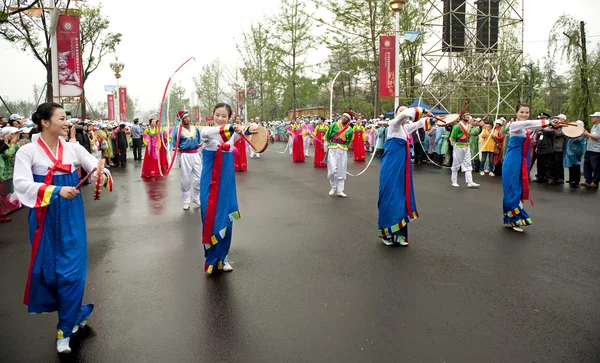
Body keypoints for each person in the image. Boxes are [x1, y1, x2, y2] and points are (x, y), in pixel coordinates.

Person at [12, 102, 112, 354]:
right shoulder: (27, 152)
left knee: (72, 273)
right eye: (60, 118)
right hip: (44, 218)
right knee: (51, 274)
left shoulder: (74, 148)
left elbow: (95, 166)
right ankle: (76, 312)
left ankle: (63, 330)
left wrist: (102, 174)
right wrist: (56, 190)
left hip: (71, 216)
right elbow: (21, 185)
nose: (66, 122)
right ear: (45, 122)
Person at [199, 103, 257, 274]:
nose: (220, 118)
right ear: (212, 115)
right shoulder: (206, 132)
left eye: (224, 116)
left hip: (226, 184)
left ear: (229, 117)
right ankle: (211, 259)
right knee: (209, 217)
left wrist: (249, 128)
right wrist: (232, 127)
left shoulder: (232, 135)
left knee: (226, 219)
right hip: (209, 183)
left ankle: (223, 258)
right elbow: (212, 132)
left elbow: (251, 130)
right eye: (217, 115)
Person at [502, 103, 564, 232]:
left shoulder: (527, 129)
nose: (524, 115)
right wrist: (549, 121)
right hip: (513, 159)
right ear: (516, 113)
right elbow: (529, 123)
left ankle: (512, 219)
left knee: (519, 187)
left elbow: (536, 126)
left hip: (523, 159)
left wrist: (553, 124)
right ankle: (514, 219)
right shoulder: (514, 125)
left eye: (527, 112)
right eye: (522, 112)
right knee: (512, 188)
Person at [378, 106, 436, 246]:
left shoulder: (405, 129)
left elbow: (420, 123)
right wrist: (421, 110)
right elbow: (403, 115)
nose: (403, 112)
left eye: (405, 109)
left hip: (402, 166)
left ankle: (399, 236)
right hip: (391, 165)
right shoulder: (394, 125)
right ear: (396, 114)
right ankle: (386, 233)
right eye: (400, 110)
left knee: (401, 195)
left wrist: (432, 118)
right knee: (389, 195)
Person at [172, 110, 202, 210]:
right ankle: (186, 201)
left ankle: (196, 198)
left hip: (195, 154)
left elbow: (199, 142)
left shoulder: (195, 128)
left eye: (188, 117)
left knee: (198, 178)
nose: (187, 119)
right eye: (185, 118)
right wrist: (179, 158)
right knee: (185, 178)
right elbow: (174, 144)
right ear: (181, 120)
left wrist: (199, 154)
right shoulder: (178, 130)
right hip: (185, 155)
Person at [324, 110, 354, 197]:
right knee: (333, 169)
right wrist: (326, 146)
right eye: (344, 116)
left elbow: (348, 141)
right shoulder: (334, 125)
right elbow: (327, 136)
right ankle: (333, 186)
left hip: (342, 150)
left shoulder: (350, 130)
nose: (344, 118)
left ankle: (340, 190)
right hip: (333, 148)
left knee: (341, 170)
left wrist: (344, 147)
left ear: (349, 120)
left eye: (347, 117)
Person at [449, 110, 480, 188]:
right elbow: (452, 138)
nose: (468, 116)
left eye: (468, 115)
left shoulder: (469, 126)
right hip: (459, 146)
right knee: (456, 163)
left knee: (468, 163)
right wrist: (454, 146)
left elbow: (471, 134)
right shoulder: (456, 126)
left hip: (467, 145)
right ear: (462, 116)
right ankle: (454, 181)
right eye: (466, 115)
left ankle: (470, 182)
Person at [563, 120, 586, 188]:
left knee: (576, 165)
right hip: (571, 151)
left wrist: (572, 136)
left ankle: (576, 180)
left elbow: (578, 139)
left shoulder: (582, 132)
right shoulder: (574, 132)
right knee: (571, 165)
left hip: (577, 151)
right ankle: (571, 179)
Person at [581, 111, 600, 189]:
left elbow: (596, 137)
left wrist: (587, 134)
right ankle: (588, 180)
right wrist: (586, 134)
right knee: (587, 165)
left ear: (598, 118)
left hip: (596, 150)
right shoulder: (594, 126)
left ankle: (595, 182)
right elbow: (592, 136)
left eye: (594, 117)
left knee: (596, 167)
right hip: (589, 149)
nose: (592, 118)